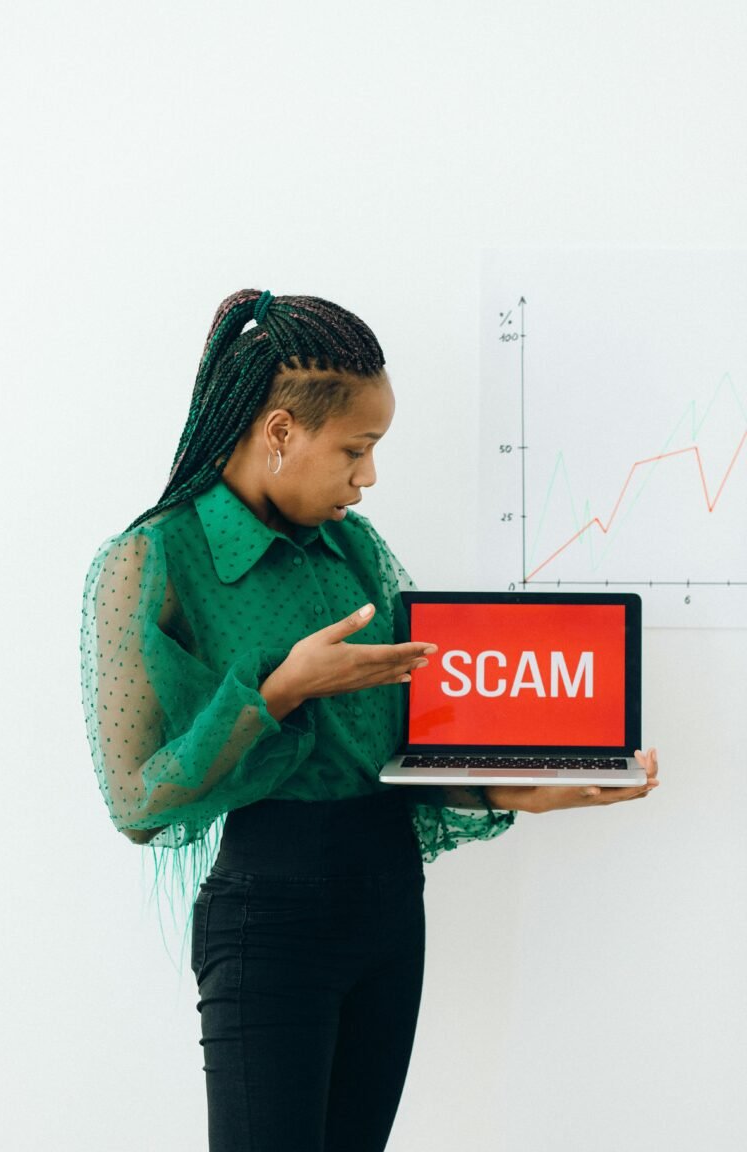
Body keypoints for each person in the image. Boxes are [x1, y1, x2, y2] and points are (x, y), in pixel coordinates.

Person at [79, 289, 659, 1152]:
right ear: (280, 432)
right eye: (357, 448)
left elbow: (395, 744)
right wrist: (280, 689)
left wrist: (513, 791)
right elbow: (137, 802)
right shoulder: (149, 561)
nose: (369, 476)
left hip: (391, 909)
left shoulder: (357, 550)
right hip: (270, 924)